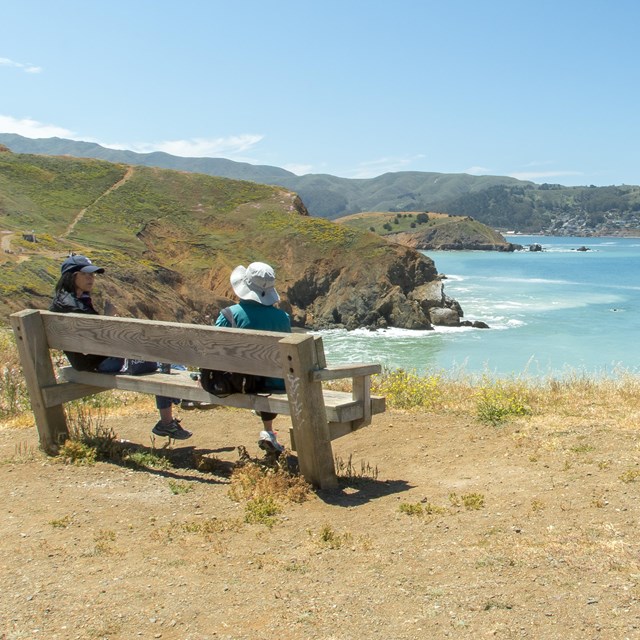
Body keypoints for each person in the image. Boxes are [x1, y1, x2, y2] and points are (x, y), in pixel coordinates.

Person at [49, 254, 192, 440]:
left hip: (89, 360)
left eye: (92, 275)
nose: (91, 278)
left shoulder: (62, 302)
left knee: (160, 359)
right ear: (72, 276)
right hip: (101, 362)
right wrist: (108, 318)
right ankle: (180, 404)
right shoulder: (76, 307)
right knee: (161, 361)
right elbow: (101, 339)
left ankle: (173, 412)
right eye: (86, 275)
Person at [214, 261, 291, 454]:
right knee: (267, 376)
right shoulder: (283, 318)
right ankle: (268, 432)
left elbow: (212, 350)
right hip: (275, 385)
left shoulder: (229, 315)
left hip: (237, 383)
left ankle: (269, 432)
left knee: (251, 373)